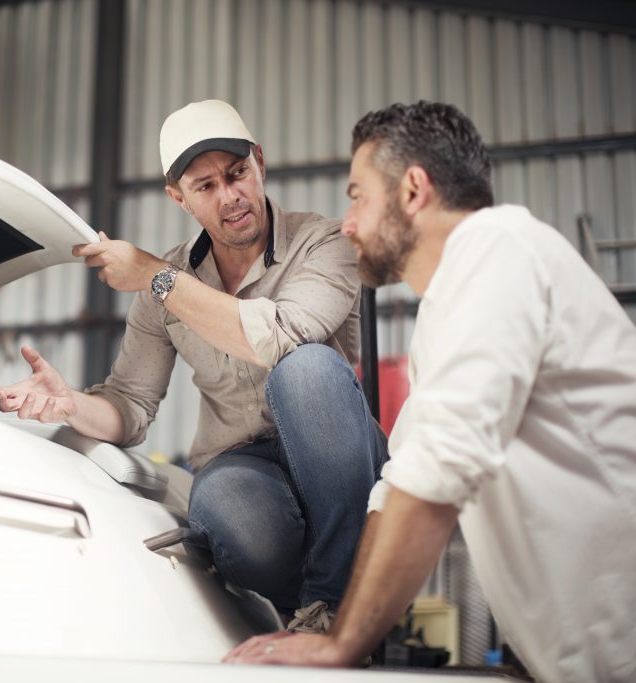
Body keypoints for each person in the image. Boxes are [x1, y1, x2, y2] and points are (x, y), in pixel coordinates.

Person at [225, 101, 636, 683]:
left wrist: (343, 645)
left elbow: (439, 472)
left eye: (359, 195)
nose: (348, 222)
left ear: (414, 190)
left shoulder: (498, 249)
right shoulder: (451, 315)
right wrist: (337, 623)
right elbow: (397, 488)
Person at [0, 99, 387, 627]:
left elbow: (282, 336)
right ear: (179, 198)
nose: (231, 196)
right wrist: (69, 405)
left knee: (305, 368)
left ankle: (339, 608)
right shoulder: (164, 281)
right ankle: (305, 607)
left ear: (259, 162)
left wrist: (158, 277)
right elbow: (129, 407)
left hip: (338, 459)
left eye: (237, 173)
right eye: (205, 187)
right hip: (245, 463)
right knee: (221, 504)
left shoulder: (326, 242)